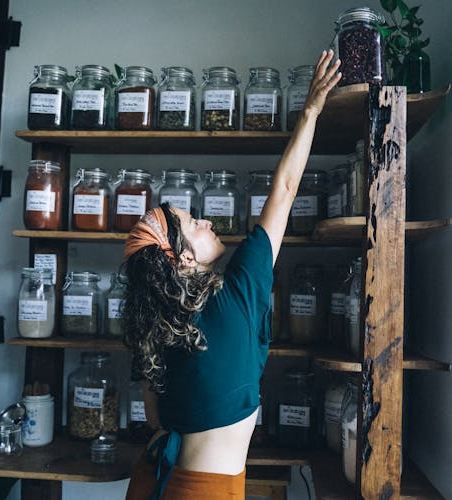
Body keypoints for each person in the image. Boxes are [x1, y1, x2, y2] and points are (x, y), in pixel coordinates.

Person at [121, 50, 341, 500]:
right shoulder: (237, 295)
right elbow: (284, 189)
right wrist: (312, 109)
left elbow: (157, 418)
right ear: (182, 260)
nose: (205, 222)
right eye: (193, 224)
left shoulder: (156, 329)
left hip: (155, 479)